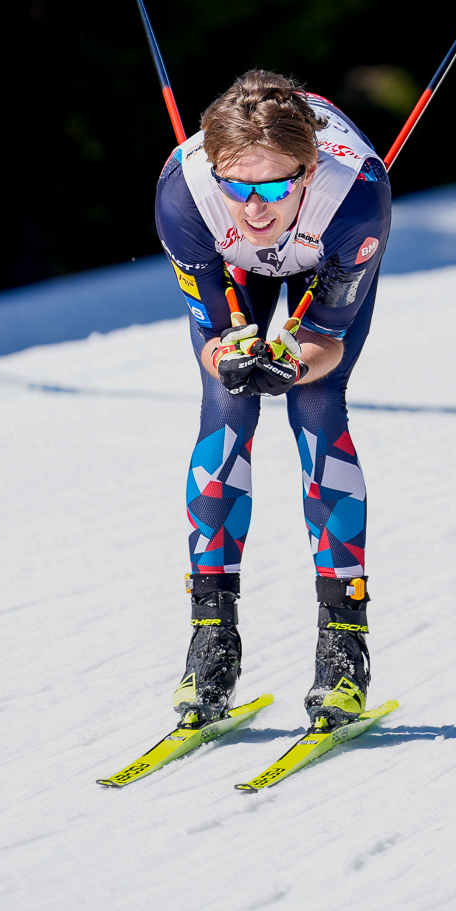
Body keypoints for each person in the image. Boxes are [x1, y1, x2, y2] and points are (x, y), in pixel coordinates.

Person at [154, 69, 390, 731]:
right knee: (228, 403)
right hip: (233, 263)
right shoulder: (185, 196)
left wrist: (292, 364)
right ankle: (211, 641)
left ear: (307, 172)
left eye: (274, 187)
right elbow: (212, 339)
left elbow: (324, 344)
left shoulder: (356, 199)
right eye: (238, 186)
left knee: (315, 402)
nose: (255, 208)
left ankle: (343, 648)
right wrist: (228, 359)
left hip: (325, 252)